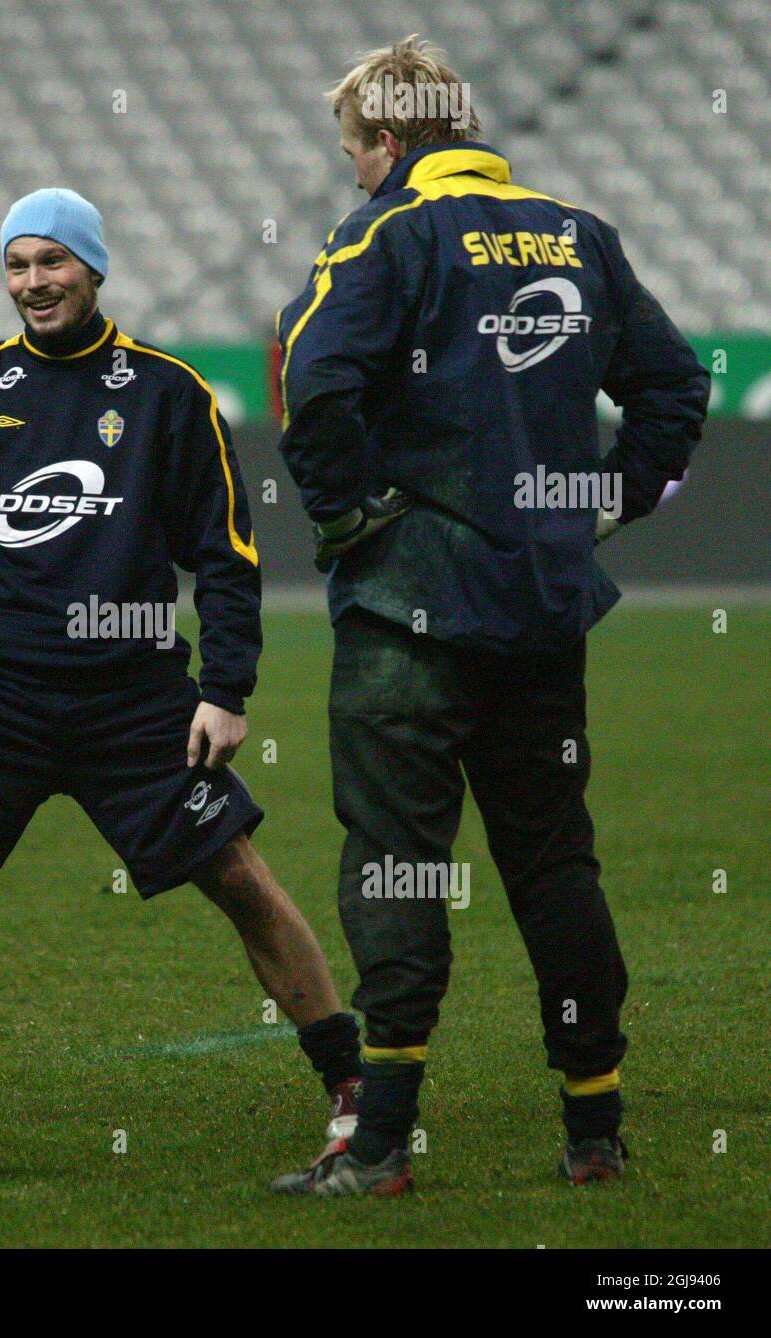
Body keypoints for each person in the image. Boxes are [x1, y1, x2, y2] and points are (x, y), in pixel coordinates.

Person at [0, 189, 363, 1168]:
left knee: (239, 875)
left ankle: (347, 1082)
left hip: (132, 698)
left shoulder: (167, 394)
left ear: (92, 267)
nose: (34, 281)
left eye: (53, 262)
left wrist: (227, 688)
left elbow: (225, 555)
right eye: (18, 264)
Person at [269, 37, 708, 1196]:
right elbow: (672, 385)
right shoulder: (576, 232)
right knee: (554, 865)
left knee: (399, 870)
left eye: (354, 150)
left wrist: (352, 519)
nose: (353, 173)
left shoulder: (382, 233)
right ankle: (594, 1128)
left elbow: (313, 386)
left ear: (388, 140)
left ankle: (380, 1148)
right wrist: (603, 503)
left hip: (409, 614)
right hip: (543, 610)